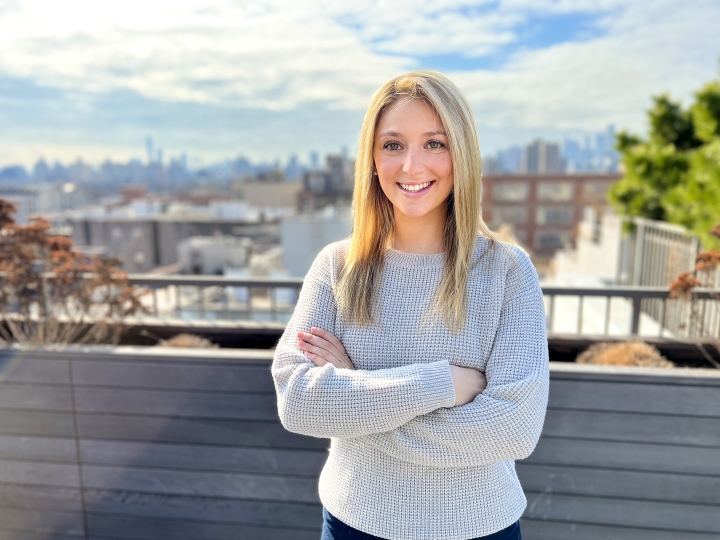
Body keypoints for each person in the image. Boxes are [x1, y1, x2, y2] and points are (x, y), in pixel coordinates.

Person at [271, 70, 549, 540]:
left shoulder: (507, 271)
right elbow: (297, 403)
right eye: (393, 145)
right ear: (373, 159)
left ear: (461, 153)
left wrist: (355, 393)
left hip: (479, 528)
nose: (412, 166)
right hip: (353, 524)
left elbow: (514, 430)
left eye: (435, 144)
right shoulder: (337, 266)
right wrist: (443, 385)